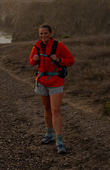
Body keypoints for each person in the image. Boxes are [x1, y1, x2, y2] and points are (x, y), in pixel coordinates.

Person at [29, 24, 74, 154]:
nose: (43, 36)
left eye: (45, 33)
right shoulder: (36, 46)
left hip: (56, 82)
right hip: (42, 81)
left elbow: (71, 60)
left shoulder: (58, 45)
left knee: (55, 110)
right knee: (47, 109)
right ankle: (49, 134)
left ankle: (59, 140)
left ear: (50, 33)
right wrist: (34, 59)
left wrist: (59, 60)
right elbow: (31, 62)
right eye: (41, 34)